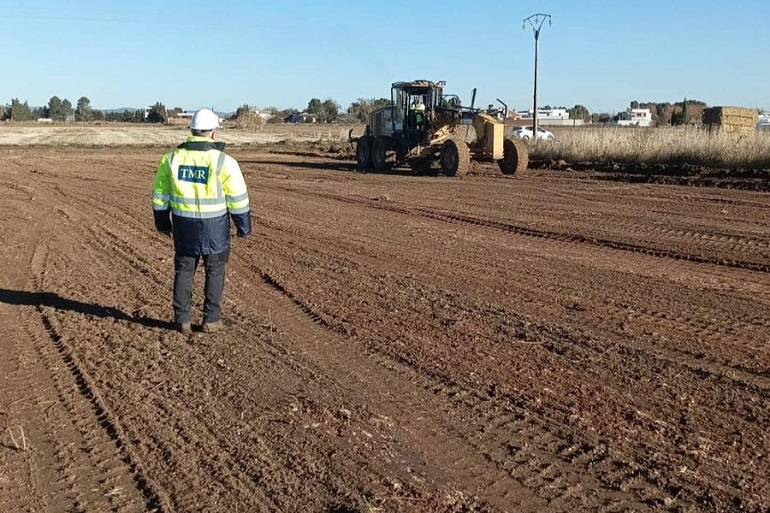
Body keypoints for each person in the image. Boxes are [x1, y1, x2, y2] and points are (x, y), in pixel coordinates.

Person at [151, 108, 251, 335]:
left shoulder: (171, 158)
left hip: (184, 226)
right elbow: (238, 198)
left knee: (184, 271)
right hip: (214, 228)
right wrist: (243, 227)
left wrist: (162, 223)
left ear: (192, 131)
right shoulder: (224, 162)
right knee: (215, 271)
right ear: (214, 132)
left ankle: (182, 320)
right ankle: (211, 320)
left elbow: (160, 195)